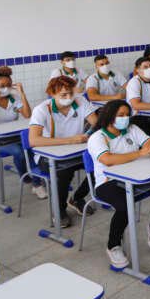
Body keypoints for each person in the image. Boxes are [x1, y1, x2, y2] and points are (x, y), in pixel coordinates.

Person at [87, 100, 150, 269]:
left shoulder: (131, 129)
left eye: (127, 115)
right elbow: (107, 160)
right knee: (125, 206)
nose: (125, 118)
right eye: (121, 115)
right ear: (110, 117)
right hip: (108, 183)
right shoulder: (97, 138)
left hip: (136, 177)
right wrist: (139, 153)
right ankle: (113, 245)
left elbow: (148, 141)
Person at [29, 76, 98, 227]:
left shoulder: (79, 100)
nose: (69, 98)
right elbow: (34, 140)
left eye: (70, 93)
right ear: (52, 94)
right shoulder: (42, 110)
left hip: (76, 151)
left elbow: (96, 123)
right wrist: (70, 140)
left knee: (100, 164)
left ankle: (77, 197)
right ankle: (59, 211)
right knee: (63, 173)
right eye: (63, 95)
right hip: (48, 157)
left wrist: (91, 132)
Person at [0, 66, 44, 198]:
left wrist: (22, 94)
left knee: (32, 148)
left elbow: (27, 115)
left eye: (9, 85)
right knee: (19, 152)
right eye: (2, 86)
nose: (6, 88)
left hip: (14, 136)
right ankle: (27, 179)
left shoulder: (13, 98)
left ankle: (37, 182)